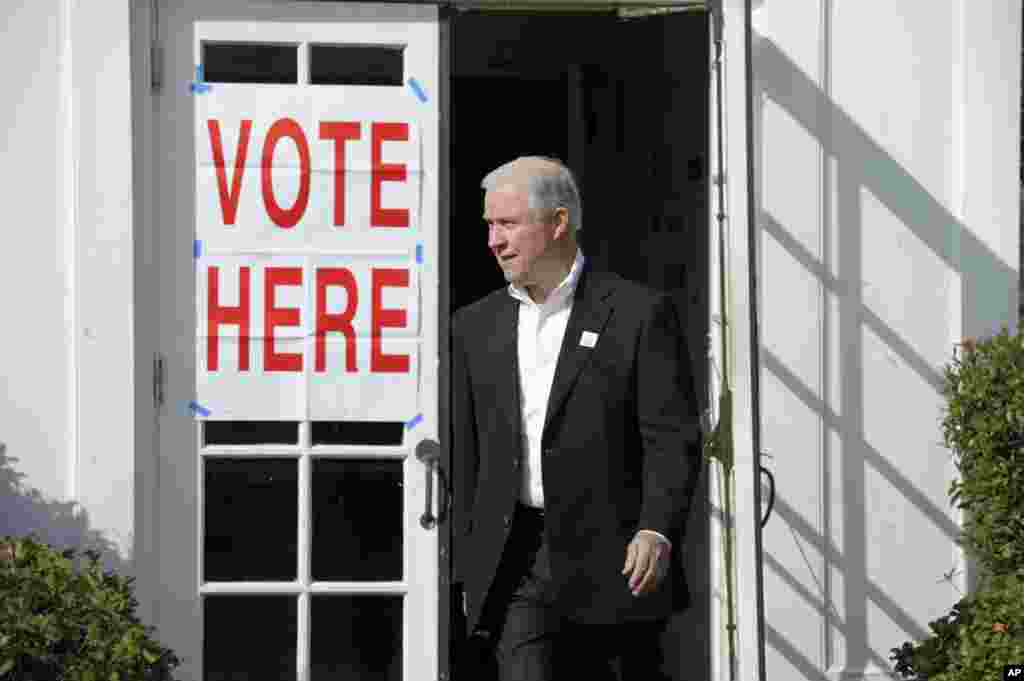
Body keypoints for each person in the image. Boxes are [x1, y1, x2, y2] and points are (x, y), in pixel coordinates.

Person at [451, 156, 703, 681]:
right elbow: (466, 453)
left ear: (558, 222)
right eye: (489, 226)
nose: (493, 241)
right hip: (515, 559)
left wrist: (656, 528)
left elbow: (670, 437)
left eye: (507, 224)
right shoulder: (474, 327)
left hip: (615, 561)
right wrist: (462, 570)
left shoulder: (638, 313)